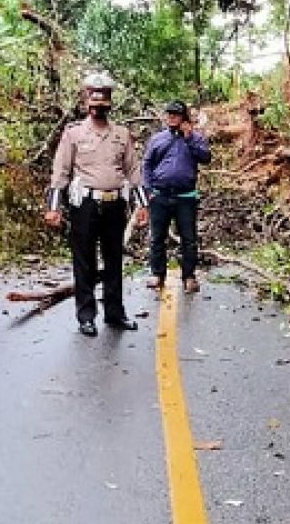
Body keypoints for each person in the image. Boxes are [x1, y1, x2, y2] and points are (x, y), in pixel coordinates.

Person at [44, 73, 149, 337]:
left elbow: (134, 171)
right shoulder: (74, 134)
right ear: (86, 102)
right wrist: (54, 207)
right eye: (94, 100)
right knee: (84, 262)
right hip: (85, 206)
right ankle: (86, 316)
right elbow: (61, 172)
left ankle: (114, 313)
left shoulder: (122, 135)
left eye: (103, 101)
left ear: (110, 103)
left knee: (114, 260)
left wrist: (143, 205)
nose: (98, 105)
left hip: (115, 204)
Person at [143, 100, 211, 294]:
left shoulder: (195, 138)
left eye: (176, 114)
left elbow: (206, 158)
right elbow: (147, 165)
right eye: (169, 113)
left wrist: (189, 138)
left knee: (189, 239)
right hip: (160, 196)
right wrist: (148, 190)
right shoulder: (157, 139)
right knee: (157, 238)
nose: (172, 117)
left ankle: (189, 276)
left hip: (186, 197)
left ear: (184, 117)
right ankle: (157, 274)